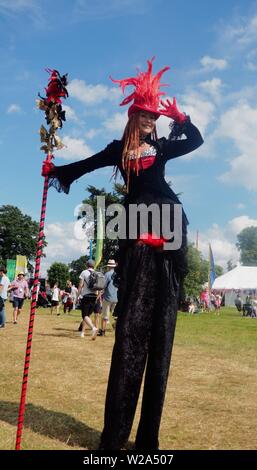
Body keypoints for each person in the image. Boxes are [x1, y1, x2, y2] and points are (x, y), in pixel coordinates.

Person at [43, 58, 203, 450]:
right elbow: (85, 165)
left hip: (166, 233)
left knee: (161, 336)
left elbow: (196, 141)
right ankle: (114, 437)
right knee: (131, 335)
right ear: (133, 118)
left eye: (154, 116)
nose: (150, 121)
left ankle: (149, 438)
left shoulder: (162, 147)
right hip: (134, 234)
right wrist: (56, 170)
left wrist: (181, 117)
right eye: (144, 116)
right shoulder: (119, 150)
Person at [77, 259, 98, 339]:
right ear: (93, 265)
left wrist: (78, 295)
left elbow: (80, 285)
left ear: (87, 265)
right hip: (94, 296)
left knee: (84, 315)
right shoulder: (96, 273)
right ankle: (82, 332)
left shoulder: (84, 272)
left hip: (86, 296)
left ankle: (93, 328)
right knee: (87, 316)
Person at [98, 259, 118, 337]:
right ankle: (115, 325)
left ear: (109, 266)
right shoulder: (118, 274)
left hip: (108, 297)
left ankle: (103, 331)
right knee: (116, 315)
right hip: (116, 297)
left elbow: (103, 285)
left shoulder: (107, 274)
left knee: (105, 315)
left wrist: (99, 293)